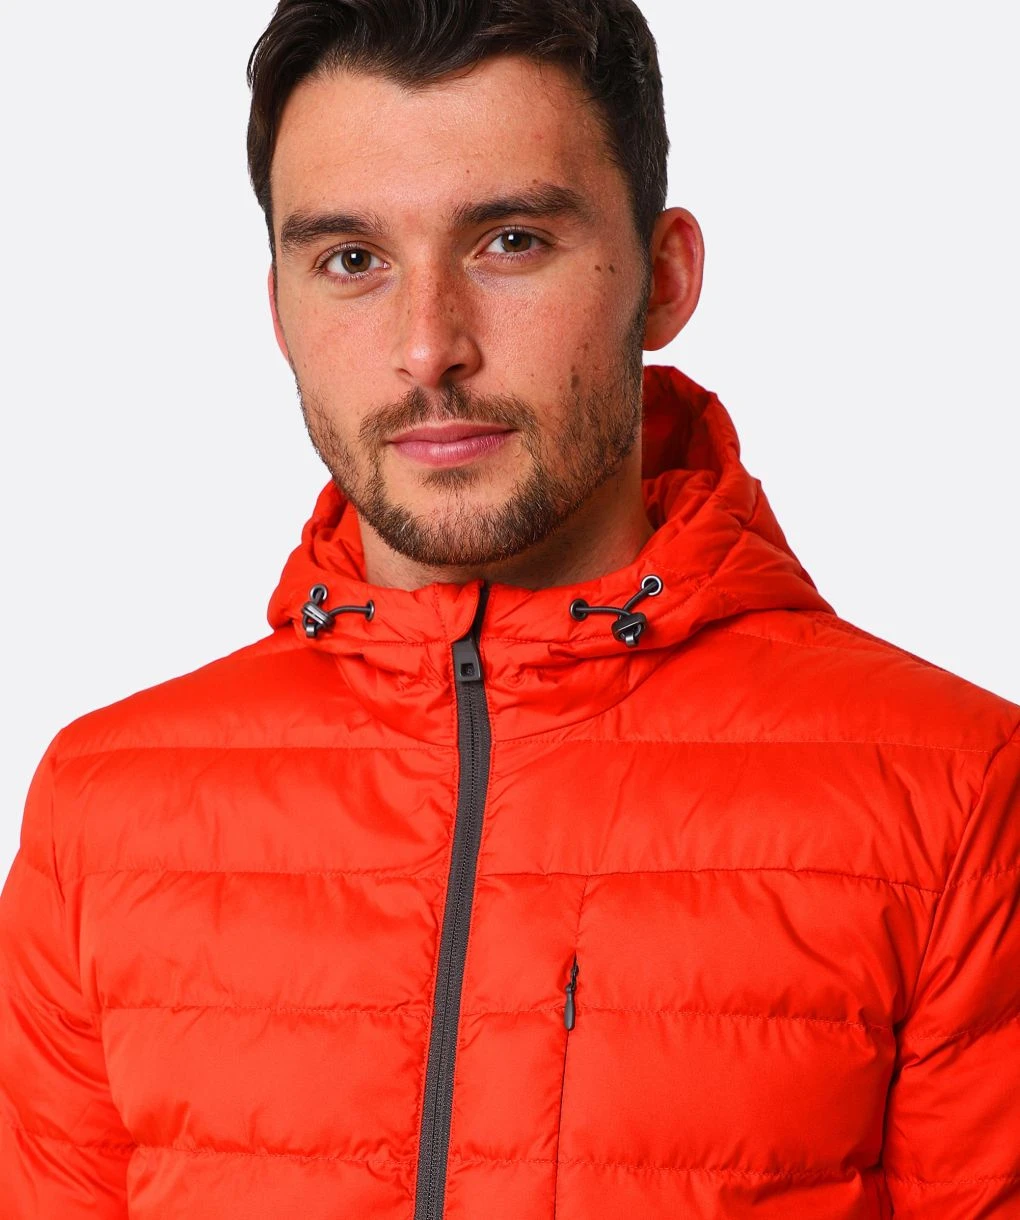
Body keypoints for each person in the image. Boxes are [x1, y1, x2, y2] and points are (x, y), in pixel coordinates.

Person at [1, 0, 1017, 1215]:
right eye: (353, 260)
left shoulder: (954, 792)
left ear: (665, 277)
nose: (428, 346)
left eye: (511, 241)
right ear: (279, 309)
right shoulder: (104, 810)